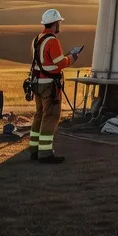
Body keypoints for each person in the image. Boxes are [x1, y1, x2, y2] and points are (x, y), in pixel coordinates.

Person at [29, 8, 79, 164]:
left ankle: (34, 149)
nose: (60, 26)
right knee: (50, 116)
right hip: (49, 85)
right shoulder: (52, 41)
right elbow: (59, 64)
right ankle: (45, 153)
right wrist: (71, 58)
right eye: (59, 23)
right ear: (55, 24)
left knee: (39, 114)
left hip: (37, 83)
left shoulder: (37, 39)